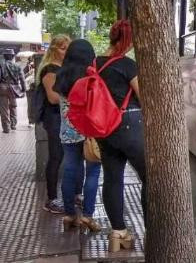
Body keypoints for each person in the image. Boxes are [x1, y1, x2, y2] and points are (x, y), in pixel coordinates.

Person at [95, 20, 145, 252]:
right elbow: (143, 95)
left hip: (104, 129)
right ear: (127, 40)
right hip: (128, 126)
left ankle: (118, 233)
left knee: (112, 178)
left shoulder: (94, 64)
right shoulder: (127, 64)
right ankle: (153, 229)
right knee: (151, 178)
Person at [53, 39, 102, 232]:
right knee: (93, 173)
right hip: (90, 132)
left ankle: (69, 214)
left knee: (69, 171)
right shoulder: (91, 76)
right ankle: (88, 216)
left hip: (68, 132)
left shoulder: (61, 76)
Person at [37, 35, 71, 213]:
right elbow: (52, 98)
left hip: (64, 116)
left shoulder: (64, 68)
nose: (65, 51)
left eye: (67, 47)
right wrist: (74, 96)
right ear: (53, 49)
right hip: (55, 118)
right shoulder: (50, 69)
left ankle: (66, 196)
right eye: (62, 47)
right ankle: (51, 198)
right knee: (56, 156)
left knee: (66, 157)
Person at [0, 48, 27, 132]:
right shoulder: (17, 66)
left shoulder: (1, 65)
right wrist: (23, 89)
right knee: (13, 106)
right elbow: (22, 79)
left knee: (4, 108)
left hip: (3, 88)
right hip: (14, 89)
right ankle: (13, 125)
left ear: (4, 56)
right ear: (12, 56)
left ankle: (6, 128)